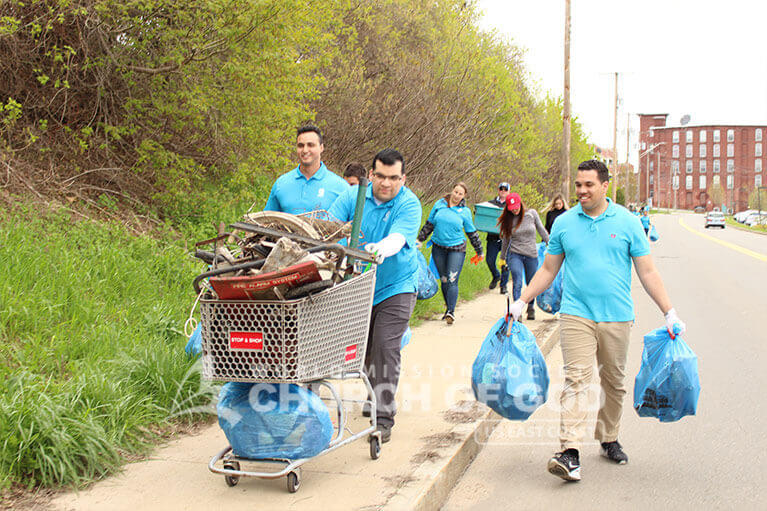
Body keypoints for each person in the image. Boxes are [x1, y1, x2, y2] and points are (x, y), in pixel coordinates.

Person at [508, 159, 686, 482]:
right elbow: (548, 270)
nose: (582, 191)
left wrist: (668, 310)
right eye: (578, 185)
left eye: (589, 185)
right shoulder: (563, 223)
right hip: (576, 313)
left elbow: (647, 271)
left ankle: (608, 437)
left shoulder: (629, 222)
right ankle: (570, 451)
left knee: (614, 382)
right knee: (576, 379)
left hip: (617, 316)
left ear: (605, 186)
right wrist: (522, 300)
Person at [328, 149, 421, 444]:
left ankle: (383, 418)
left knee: (385, 346)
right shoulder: (354, 196)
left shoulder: (408, 203)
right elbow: (328, 226)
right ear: (371, 175)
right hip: (357, 283)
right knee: (365, 348)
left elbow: (399, 237)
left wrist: (380, 248)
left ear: (403, 179)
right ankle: (374, 392)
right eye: (380, 176)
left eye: (394, 178)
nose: (386, 183)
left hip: (397, 285)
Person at [416, 182, 484, 325]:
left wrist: (479, 251)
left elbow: (472, 233)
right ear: (451, 191)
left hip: (457, 249)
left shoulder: (465, 212)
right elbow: (430, 224)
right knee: (444, 279)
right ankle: (448, 308)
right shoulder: (439, 205)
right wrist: (420, 239)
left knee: (452, 279)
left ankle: (451, 312)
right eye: (455, 192)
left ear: (464, 196)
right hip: (438, 248)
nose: (457, 195)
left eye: (460, 194)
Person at [264, 125, 348, 213]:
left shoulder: (341, 187)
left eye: (310, 145)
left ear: (321, 148)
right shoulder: (281, 184)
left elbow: (353, 224)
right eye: (300, 146)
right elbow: (266, 221)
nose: (305, 150)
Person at [498, 192, 549, 319]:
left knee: (531, 282)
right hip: (515, 254)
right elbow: (505, 240)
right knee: (517, 280)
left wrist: (551, 245)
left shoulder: (531, 214)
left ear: (520, 204)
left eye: (516, 207)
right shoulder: (508, 220)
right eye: (511, 208)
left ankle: (530, 307)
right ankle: (517, 310)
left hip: (531, 254)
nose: (514, 210)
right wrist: (502, 258)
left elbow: (541, 230)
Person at [485, 182, 511, 292]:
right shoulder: (490, 203)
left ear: (509, 191)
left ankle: (503, 285)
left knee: (505, 262)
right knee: (490, 260)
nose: (503, 191)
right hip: (493, 237)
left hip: (507, 238)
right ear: (498, 190)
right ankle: (496, 276)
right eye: (501, 189)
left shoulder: (511, 204)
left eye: (506, 189)